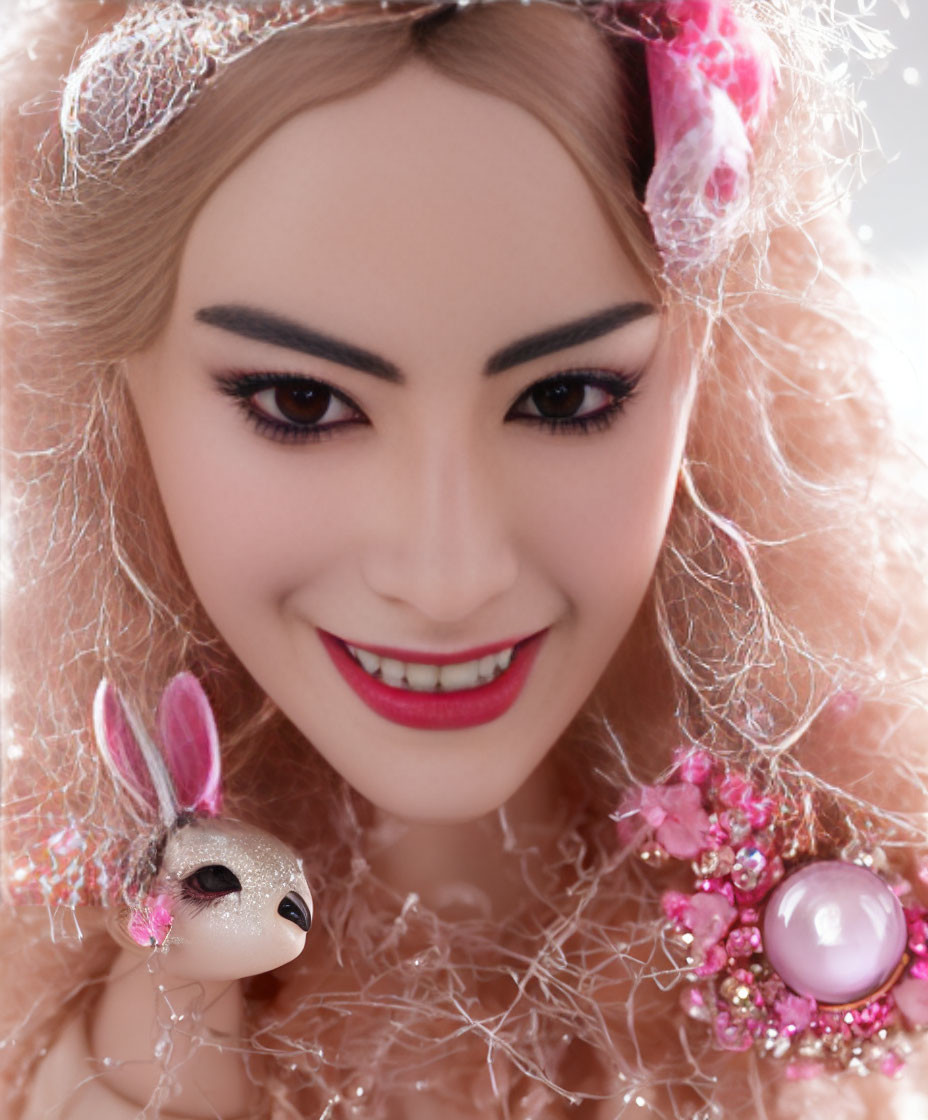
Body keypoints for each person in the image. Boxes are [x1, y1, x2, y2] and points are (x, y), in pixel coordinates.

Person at [1, 1, 926, 1117]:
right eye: (301, 402)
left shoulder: (822, 944)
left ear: (706, 372)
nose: (447, 575)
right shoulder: (96, 993)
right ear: (112, 384)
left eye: (565, 397)